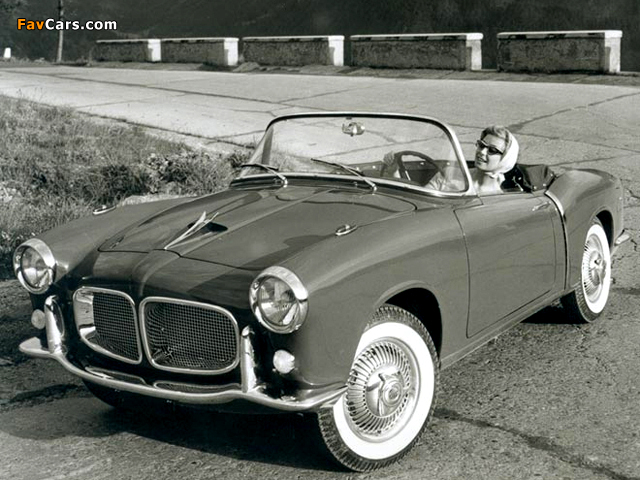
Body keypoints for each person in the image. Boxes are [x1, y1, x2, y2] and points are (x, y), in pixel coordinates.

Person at [472, 125, 521, 195]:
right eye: (481, 145)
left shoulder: (497, 197)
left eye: (492, 150)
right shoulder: (457, 174)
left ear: (505, 159)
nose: (482, 152)